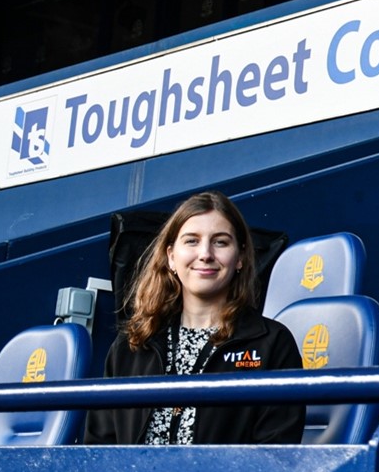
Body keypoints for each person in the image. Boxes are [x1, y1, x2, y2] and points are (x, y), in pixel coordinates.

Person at [85, 191, 306, 445]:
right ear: (171, 257)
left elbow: (275, 453)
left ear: (240, 258)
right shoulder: (131, 345)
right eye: (191, 241)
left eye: (220, 242)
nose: (205, 254)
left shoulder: (273, 343)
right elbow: (98, 450)